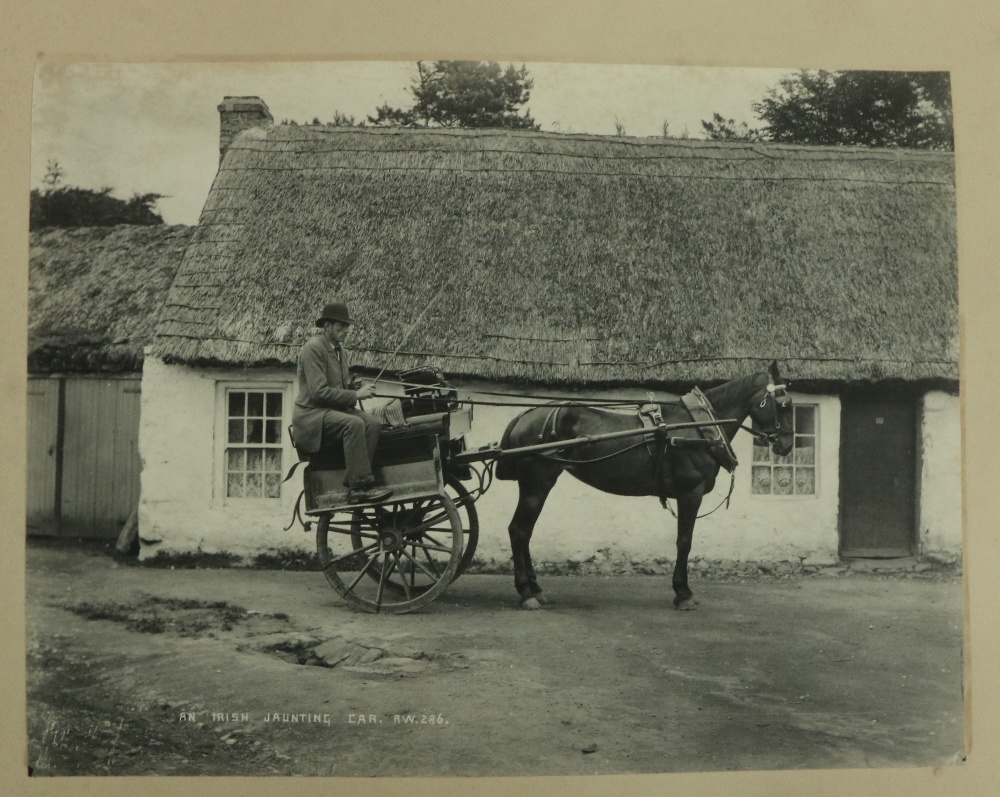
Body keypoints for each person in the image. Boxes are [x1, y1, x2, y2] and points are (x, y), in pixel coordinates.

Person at [292, 302, 390, 504]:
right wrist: (355, 396)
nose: (346, 331)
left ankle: (353, 478)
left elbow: (337, 388)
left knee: (373, 423)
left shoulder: (341, 352)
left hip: (332, 411)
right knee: (353, 424)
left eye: (348, 327)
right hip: (312, 416)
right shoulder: (312, 349)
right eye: (340, 326)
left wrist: (353, 387)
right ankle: (359, 487)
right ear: (326, 326)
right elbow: (319, 393)